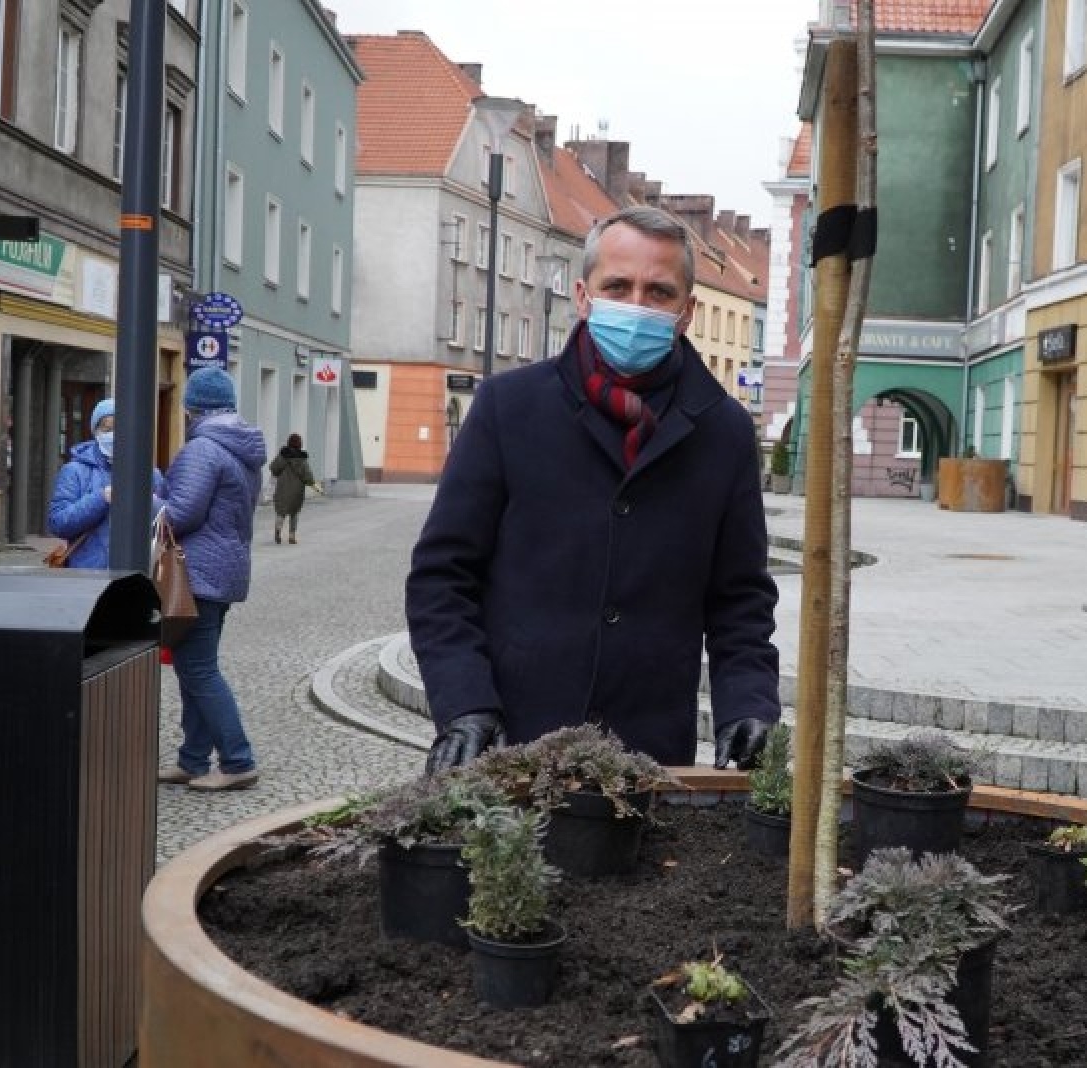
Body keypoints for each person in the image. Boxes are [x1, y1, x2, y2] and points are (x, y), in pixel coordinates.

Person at [406, 206, 780, 773]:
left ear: (687, 311)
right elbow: (442, 576)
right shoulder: (509, 408)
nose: (635, 306)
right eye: (617, 286)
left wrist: (748, 701)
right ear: (583, 296)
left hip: (649, 750)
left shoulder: (723, 431)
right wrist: (465, 702)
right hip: (513, 739)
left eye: (658, 292)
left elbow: (741, 598)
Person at [157, 367, 268, 791]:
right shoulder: (241, 448)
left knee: (198, 668)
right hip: (222, 570)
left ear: (192, 408)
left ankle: (238, 761)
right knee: (193, 667)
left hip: (197, 573)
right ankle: (193, 760)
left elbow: (181, 514)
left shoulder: (202, 448)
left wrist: (145, 498)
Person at [46, 397, 164, 567]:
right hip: (88, 575)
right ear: (96, 432)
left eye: (121, 428)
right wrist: (101, 498)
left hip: (135, 573)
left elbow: (164, 522)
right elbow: (57, 523)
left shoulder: (149, 474)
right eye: (107, 429)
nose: (114, 435)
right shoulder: (75, 471)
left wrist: (151, 503)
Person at [269, 432, 322, 544]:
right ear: (300, 444)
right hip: (297, 491)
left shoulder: (283, 456)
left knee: (281, 512)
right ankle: (292, 536)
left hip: (282, 489)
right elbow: (307, 476)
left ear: (288, 442)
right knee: (294, 513)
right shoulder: (302, 460)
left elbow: (273, 468)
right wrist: (315, 486)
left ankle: (278, 531)